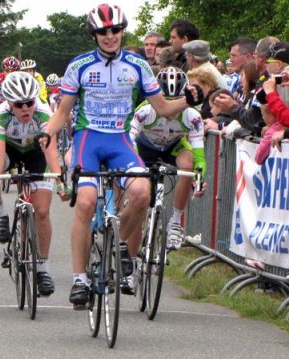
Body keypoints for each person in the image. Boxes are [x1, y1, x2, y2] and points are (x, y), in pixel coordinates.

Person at [42, 3, 203, 306]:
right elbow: (62, 112)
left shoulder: (138, 65)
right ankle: (79, 279)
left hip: (120, 141)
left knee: (142, 193)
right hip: (88, 138)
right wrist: (47, 132)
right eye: (103, 31)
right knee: (87, 202)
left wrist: (188, 99)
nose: (110, 35)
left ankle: (122, 249)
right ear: (94, 34)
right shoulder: (79, 66)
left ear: (122, 31)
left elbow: (164, 109)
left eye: (115, 30)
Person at [0, 71, 67, 296]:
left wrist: (59, 181)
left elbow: (51, 152)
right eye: (20, 105)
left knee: (43, 212)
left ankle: (42, 270)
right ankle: (0, 215)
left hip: (37, 154)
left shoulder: (44, 113)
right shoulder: (0, 115)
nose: (26, 108)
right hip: (9, 150)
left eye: (30, 102)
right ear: (9, 103)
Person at [131, 67, 206, 250]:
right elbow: (129, 142)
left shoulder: (193, 116)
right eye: (166, 101)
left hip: (173, 147)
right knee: (141, 192)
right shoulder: (145, 111)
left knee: (187, 164)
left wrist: (199, 175)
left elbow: (199, 156)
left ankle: (175, 222)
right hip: (144, 148)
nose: (172, 108)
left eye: (177, 101)